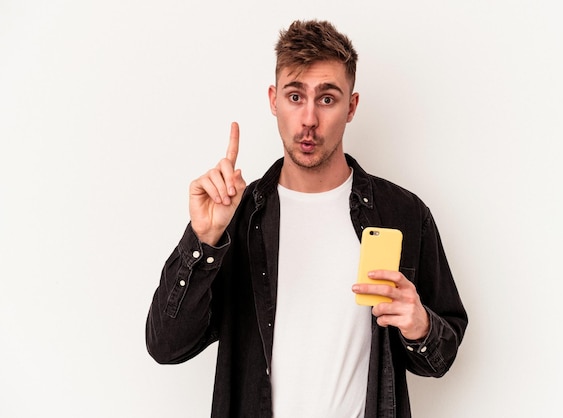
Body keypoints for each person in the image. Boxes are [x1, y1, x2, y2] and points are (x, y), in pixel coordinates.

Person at [146, 20, 468, 418]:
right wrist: (203, 241)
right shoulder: (237, 216)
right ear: (273, 100)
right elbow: (166, 346)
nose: (309, 119)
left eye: (327, 99)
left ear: (351, 107)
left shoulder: (403, 214)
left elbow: (440, 357)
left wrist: (420, 326)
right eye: (295, 96)